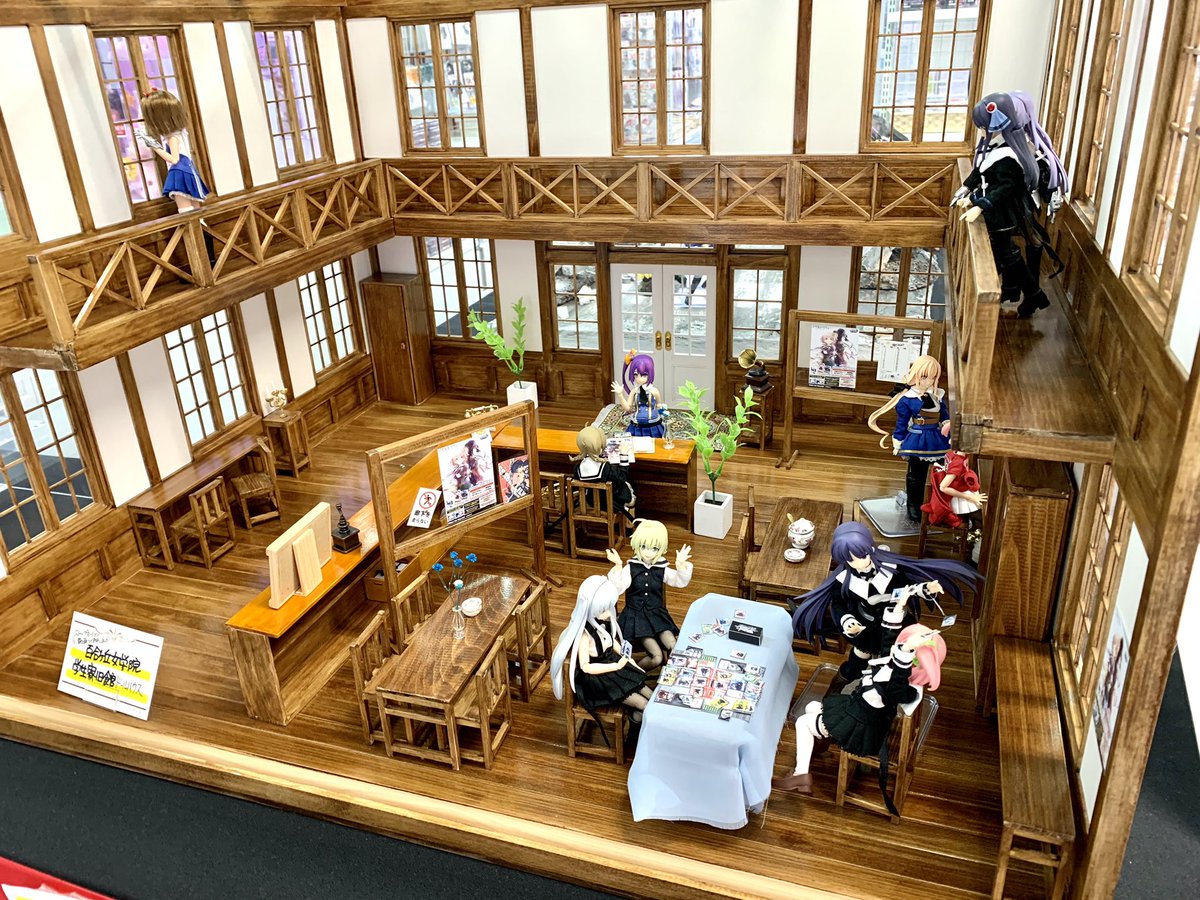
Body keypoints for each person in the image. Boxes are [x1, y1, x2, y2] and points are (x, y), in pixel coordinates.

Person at [772, 624, 946, 815]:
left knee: (802, 722)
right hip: (856, 711)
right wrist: (897, 610)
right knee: (812, 707)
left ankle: (801, 775)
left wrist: (906, 650)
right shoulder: (894, 669)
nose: (899, 648)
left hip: (859, 725)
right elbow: (889, 644)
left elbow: (896, 681)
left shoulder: (900, 687)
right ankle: (815, 750)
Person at [791, 522, 980, 681]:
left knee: (896, 663)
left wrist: (926, 589)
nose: (859, 563)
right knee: (856, 663)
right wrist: (848, 621)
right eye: (850, 560)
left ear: (870, 549)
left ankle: (891, 691)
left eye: (862, 556)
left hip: (898, 624)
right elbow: (838, 604)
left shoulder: (891, 569)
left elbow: (908, 588)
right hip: (867, 626)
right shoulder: (843, 580)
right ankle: (837, 692)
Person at [954, 91, 1068, 318]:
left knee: (1008, 253)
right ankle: (1014, 290)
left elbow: (1004, 187)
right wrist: (966, 189)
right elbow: (982, 171)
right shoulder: (1002, 147)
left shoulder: (1009, 155)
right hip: (1004, 209)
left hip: (1007, 212)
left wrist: (979, 204)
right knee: (1007, 252)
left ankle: (1033, 295)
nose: (980, 131)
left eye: (982, 126)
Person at [550, 575, 652, 746]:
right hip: (599, 680)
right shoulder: (585, 635)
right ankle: (633, 742)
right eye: (603, 609)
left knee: (651, 696)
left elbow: (613, 643)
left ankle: (639, 733)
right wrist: (616, 665)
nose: (608, 613)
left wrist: (629, 660)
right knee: (644, 705)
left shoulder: (604, 623)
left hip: (612, 667)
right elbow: (586, 667)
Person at [867, 355, 951, 522]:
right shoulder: (907, 399)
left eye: (933, 377)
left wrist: (947, 423)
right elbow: (902, 423)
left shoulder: (937, 395)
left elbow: (944, 414)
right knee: (917, 475)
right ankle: (914, 507)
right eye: (925, 376)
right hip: (917, 438)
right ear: (916, 374)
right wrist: (897, 442)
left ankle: (939, 506)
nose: (929, 381)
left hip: (937, 438)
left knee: (942, 474)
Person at [606, 520, 692, 670]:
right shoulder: (631, 568)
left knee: (674, 645)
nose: (648, 552)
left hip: (657, 615)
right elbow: (617, 588)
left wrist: (681, 566)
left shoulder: (661, 568)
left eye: (654, 548)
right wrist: (618, 567)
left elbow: (679, 581)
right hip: (636, 618)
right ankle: (634, 674)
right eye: (643, 546)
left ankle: (674, 676)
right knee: (656, 657)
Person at [137, 88, 211, 214]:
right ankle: (200, 226)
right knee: (195, 209)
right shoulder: (179, 133)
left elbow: (174, 159)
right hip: (188, 170)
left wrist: (154, 146)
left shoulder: (173, 138)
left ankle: (195, 226)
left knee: (186, 211)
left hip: (179, 172)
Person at [571, 426, 635, 521]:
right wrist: (624, 456)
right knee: (630, 486)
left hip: (591, 502)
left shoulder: (577, 467)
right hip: (612, 503)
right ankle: (628, 524)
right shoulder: (607, 468)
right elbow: (622, 478)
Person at [923, 449, 986, 537]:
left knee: (977, 516)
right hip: (955, 493)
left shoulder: (953, 453)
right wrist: (970, 497)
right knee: (978, 516)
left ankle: (968, 536)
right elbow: (943, 487)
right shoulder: (958, 463)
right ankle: (968, 537)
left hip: (959, 485)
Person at [611, 351, 666, 439]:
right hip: (637, 425)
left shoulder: (654, 391)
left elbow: (659, 405)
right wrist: (620, 395)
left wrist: (662, 411)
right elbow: (628, 408)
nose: (639, 379)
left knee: (655, 444)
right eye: (636, 375)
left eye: (644, 375)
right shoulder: (634, 391)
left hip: (653, 424)